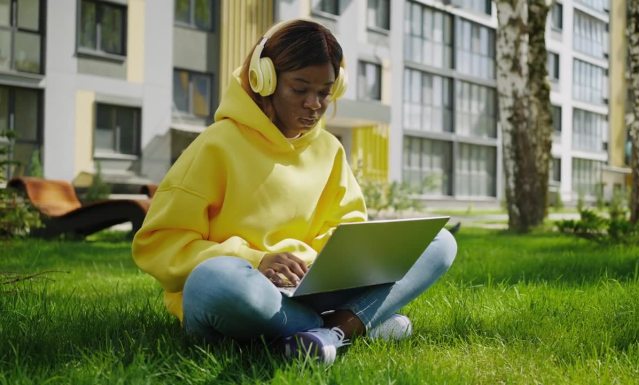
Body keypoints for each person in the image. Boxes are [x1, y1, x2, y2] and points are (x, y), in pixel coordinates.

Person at [132, 18, 457, 365]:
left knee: (440, 243)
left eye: (324, 92)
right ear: (264, 81)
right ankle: (348, 328)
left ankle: (320, 335)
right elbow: (159, 244)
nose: (314, 105)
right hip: (243, 292)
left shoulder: (330, 150)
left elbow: (348, 230)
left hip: (311, 290)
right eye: (299, 90)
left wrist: (328, 265)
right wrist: (256, 261)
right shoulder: (216, 145)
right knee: (213, 279)